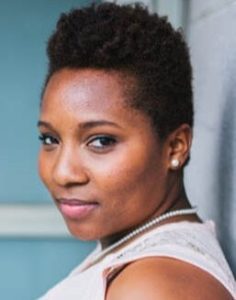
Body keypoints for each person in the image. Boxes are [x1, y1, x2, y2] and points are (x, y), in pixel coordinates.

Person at [37, 2, 236, 299]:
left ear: (175, 147)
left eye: (101, 141)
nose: (63, 172)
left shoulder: (154, 287)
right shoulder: (135, 256)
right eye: (50, 139)